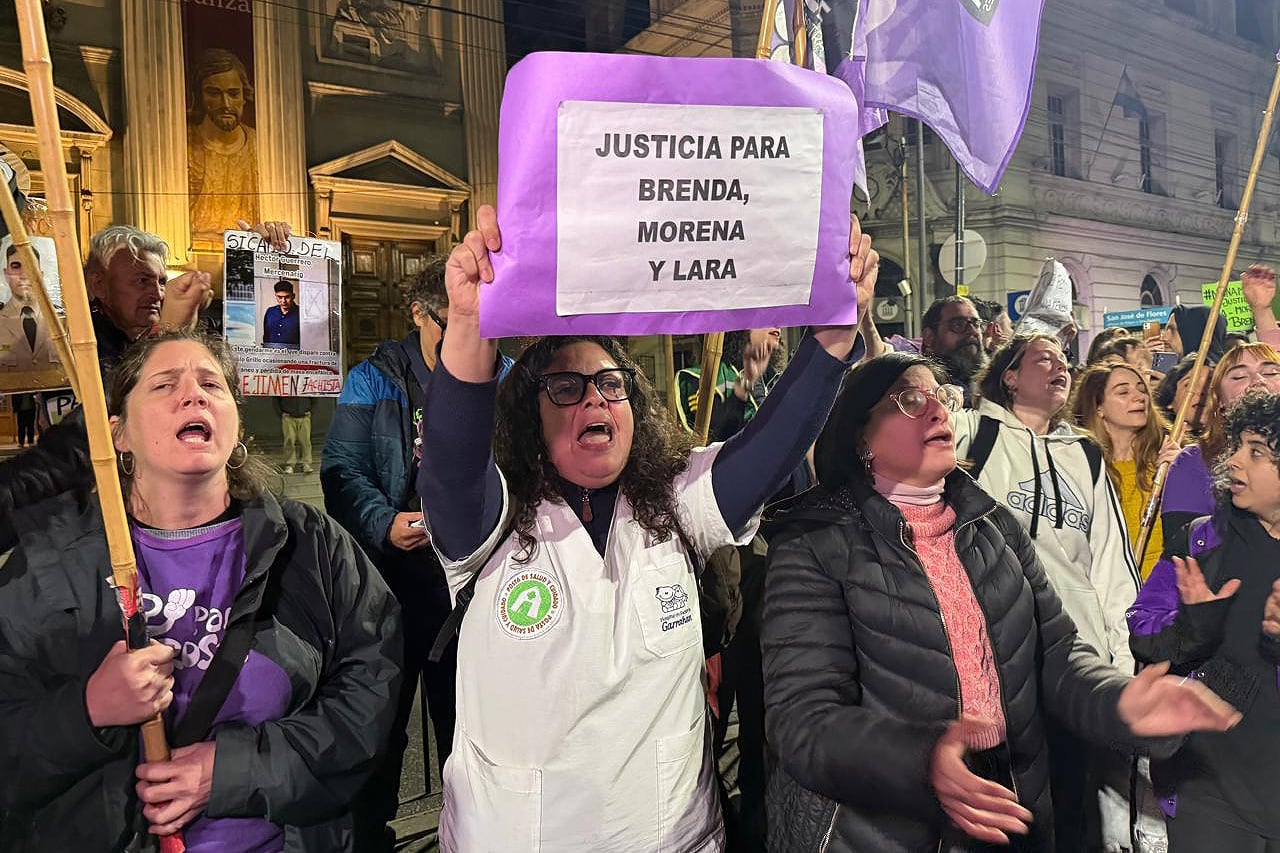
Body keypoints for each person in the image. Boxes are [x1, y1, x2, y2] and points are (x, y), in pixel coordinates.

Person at [416, 204, 876, 851]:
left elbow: (770, 446)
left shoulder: (677, 500)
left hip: (675, 838)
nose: (596, 400)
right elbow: (451, 462)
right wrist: (469, 326)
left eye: (611, 383)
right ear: (529, 413)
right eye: (567, 387)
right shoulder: (490, 523)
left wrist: (832, 338)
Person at [761, 351, 1240, 853]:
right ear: (860, 436)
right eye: (909, 399)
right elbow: (804, 719)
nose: (937, 410)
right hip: (878, 833)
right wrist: (922, 759)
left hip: (1010, 817)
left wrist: (1120, 702)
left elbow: (1056, 654)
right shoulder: (814, 545)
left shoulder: (993, 526)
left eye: (940, 396)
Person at [0, 331, 401, 851]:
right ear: (117, 433)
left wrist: (234, 771)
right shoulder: (50, 563)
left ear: (235, 423)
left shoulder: (308, 544)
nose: (193, 395)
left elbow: (369, 697)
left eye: (211, 383)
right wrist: (87, 711)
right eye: (165, 385)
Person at [322, 256, 512, 852]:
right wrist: (383, 523)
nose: (463, 338)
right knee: (380, 733)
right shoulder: (372, 380)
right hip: (391, 585)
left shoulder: (502, 378)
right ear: (419, 315)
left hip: (473, 584)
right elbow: (343, 470)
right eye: (448, 323)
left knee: (472, 731)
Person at [958, 333, 1143, 851]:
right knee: (1013, 805)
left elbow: (1110, 562)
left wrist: (1121, 661)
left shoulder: (1083, 452)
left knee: (1076, 800)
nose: (1060, 366)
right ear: (1010, 376)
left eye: (1064, 359)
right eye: (1043, 359)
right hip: (998, 658)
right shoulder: (974, 433)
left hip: (1077, 657)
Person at [1128, 391, 1280, 851]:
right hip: (1209, 787)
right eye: (1238, 445)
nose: (1233, 461)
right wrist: (1196, 626)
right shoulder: (1201, 541)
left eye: (1256, 452)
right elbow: (1143, 634)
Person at [1159, 342, 1280, 560]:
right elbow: (1184, 556)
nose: (1258, 381)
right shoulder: (1193, 462)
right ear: (1219, 400)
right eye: (1239, 377)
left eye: (1271, 372)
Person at [1072, 362, 1180, 580]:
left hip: (1166, 593)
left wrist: (1184, 476)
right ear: (1098, 407)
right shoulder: (1081, 467)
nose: (1139, 397)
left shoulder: (1169, 457)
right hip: (1111, 594)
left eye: (1142, 389)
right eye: (1123, 392)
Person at [187, 48, 259, 241]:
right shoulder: (182, 144)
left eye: (234, 94)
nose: (226, 104)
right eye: (214, 93)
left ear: (245, 97)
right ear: (199, 96)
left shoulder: (260, 148)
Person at [0, 244, 54, 370]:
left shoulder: (62, 320)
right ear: (6, 274)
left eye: (31, 266)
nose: (24, 275)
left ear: (40, 274)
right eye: (16, 267)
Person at [274, 395, 314, 474]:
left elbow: (314, 397)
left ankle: (306, 463)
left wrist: (312, 410)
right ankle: (289, 464)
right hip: (288, 416)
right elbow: (276, 398)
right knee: (289, 441)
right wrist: (280, 412)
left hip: (304, 416)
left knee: (306, 441)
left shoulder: (305, 382)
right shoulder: (285, 384)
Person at [262, 280, 300, 350]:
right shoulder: (270, 312)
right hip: (271, 356)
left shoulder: (301, 313)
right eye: (279, 297)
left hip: (294, 357)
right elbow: (266, 337)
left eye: (287, 297)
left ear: (293, 296)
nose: (283, 301)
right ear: (275, 296)